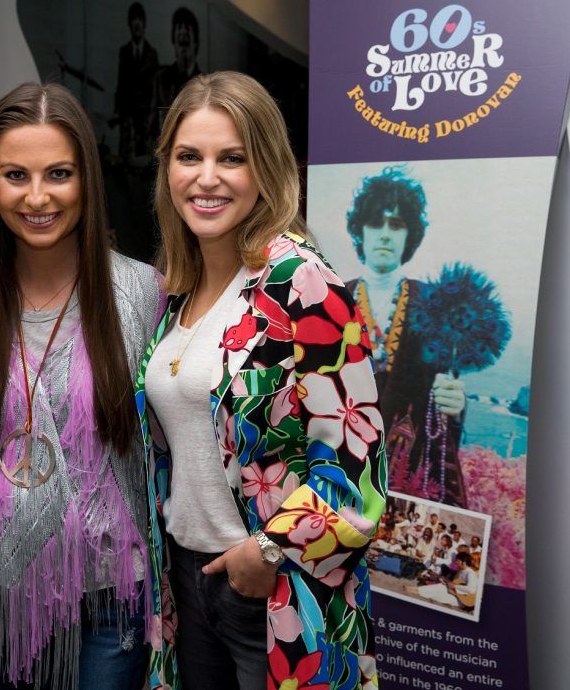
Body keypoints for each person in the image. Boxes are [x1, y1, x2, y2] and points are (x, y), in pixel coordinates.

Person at [137, 72, 386, 690]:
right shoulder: (178, 287)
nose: (207, 177)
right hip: (187, 581)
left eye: (232, 158)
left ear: (267, 168)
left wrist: (269, 553)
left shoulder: (304, 286)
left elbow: (360, 463)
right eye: (189, 157)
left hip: (275, 591)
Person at [0, 82, 164, 690]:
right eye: (16, 175)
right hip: (3, 595)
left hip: (112, 594)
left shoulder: (142, 293)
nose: (37, 197)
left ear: (87, 180)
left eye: (58, 173)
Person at [344, 167, 467, 506]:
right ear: (360, 231)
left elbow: (447, 386)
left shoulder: (435, 305)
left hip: (411, 465)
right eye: (375, 222)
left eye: (396, 225)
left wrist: (456, 406)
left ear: (409, 235)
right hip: (344, 467)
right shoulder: (332, 299)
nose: (385, 234)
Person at [114, 1, 159, 165]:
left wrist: (151, 116)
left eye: (140, 19)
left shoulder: (152, 53)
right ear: (129, 24)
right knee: (125, 161)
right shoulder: (124, 51)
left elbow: (155, 89)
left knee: (144, 163)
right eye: (134, 19)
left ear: (144, 23)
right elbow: (120, 83)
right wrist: (117, 110)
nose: (137, 23)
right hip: (127, 115)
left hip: (144, 117)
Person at [150, 7, 201, 136]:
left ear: (195, 42)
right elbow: (152, 121)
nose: (183, 30)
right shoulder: (161, 79)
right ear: (174, 40)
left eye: (188, 28)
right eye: (179, 27)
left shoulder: (206, 83)